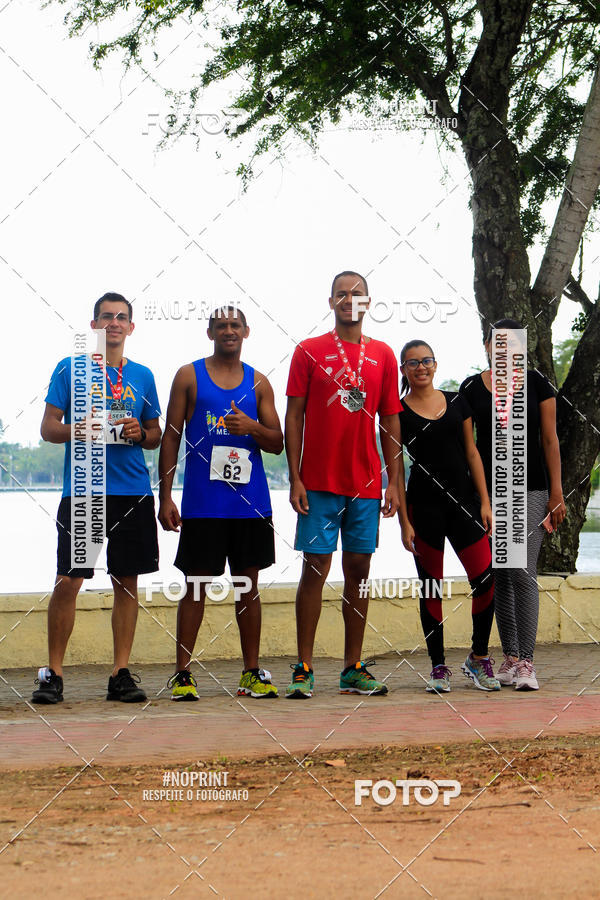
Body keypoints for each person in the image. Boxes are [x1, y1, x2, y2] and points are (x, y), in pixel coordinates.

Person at [32, 293, 162, 704]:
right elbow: (48, 429)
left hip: (133, 491)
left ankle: (120, 673)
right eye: (106, 317)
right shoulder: (70, 368)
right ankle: (53, 673)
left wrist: (140, 434)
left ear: (131, 327)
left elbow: (155, 434)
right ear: (93, 325)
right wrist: (80, 429)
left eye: (121, 317)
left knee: (126, 582)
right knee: (69, 580)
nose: (114, 323)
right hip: (84, 491)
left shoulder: (142, 375)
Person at [284, 271, 404, 699]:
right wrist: (295, 476)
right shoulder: (309, 350)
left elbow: (390, 421)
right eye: (341, 294)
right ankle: (304, 666)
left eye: (356, 293)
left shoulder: (385, 356)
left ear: (368, 302)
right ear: (331, 301)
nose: (349, 299)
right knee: (314, 568)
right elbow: (293, 416)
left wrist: (392, 481)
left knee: (360, 572)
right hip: (317, 481)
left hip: (367, 482)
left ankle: (353, 666)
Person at [158, 306, 283, 701]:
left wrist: (251, 428)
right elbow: (171, 438)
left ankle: (251, 673)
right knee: (195, 586)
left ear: (246, 331)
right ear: (209, 331)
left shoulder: (259, 382)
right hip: (203, 504)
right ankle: (182, 674)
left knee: (248, 586)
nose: (228, 331)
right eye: (221, 326)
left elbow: (277, 442)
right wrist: (165, 496)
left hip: (250, 505)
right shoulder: (187, 376)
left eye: (235, 325)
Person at [460, 319, 566, 690]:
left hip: (532, 489)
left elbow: (550, 440)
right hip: (489, 495)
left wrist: (557, 493)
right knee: (500, 574)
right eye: (498, 343)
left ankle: (527, 664)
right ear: (486, 345)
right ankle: (510, 657)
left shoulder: (537, 384)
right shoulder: (472, 387)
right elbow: (467, 446)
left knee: (522, 571)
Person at [398, 339, 500, 693]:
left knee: (486, 579)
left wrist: (485, 502)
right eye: (413, 363)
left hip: (464, 504)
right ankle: (438, 666)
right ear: (404, 370)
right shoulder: (397, 412)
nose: (421, 367)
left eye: (427, 360)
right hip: (423, 508)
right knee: (431, 587)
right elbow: (396, 470)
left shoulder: (458, 400)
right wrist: (403, 522)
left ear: (435, 365)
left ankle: (479, 657)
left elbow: (472, 453)